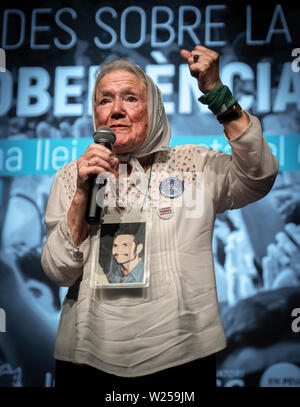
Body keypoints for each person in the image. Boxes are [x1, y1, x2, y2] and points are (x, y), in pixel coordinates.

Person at [41, 45, 278, 391]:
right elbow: (58, 270)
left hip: (181, 353)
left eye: (130, 99)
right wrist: (81, 194)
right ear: (94, 113)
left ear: (153, 109)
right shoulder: (72, 178)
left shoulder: (193, 165)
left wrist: (217, 94)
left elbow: (260, 176)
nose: (116, 110)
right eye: (104, 100)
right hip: (87, 356)